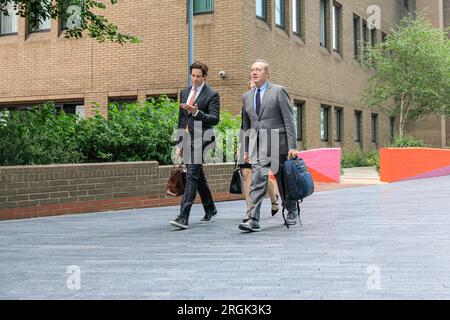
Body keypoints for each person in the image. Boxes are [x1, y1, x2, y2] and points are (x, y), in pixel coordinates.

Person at [239, 60, 299, 232]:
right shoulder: (246, 96)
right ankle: (253, 219)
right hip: (259, 146)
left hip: (278, 143)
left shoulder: (279, 91)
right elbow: (246, 126)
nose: (254, 72)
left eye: (258, 69)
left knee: (283, 180)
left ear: (267, 73)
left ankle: (291, 209)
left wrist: (292, 146)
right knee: (257, 180)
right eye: (252, 70)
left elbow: (289, 120)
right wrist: (245, 149)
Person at [170, 61, 220, 230]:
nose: (195, 79)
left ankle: (183, 216)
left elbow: (215, 119)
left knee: (191, 175)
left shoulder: (212, 94)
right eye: (193, 76)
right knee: (197, 175)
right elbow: (181, 119)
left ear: (204, 76)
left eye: (199, 76)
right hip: (188, 137)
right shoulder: (184, 92)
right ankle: (210, 208)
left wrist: (196, 112)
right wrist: (179, 142)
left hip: (203, 138)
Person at [240, 81, 279, 220]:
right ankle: (250, 209)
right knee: (246, 174)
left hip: (265, 142)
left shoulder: (269, 102)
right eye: (250, 85)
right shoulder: (246, 100)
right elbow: (244, 125)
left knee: (261, 175)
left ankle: (274, 197)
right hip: (248, 141)